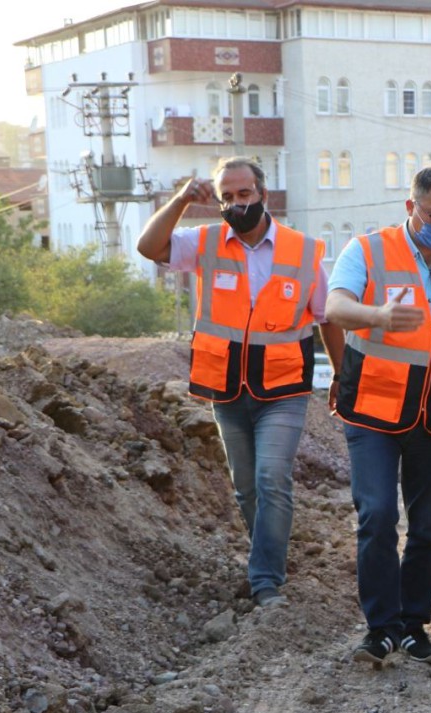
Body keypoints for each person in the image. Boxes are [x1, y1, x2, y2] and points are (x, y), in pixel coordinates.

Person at [136, 156, 342, 609]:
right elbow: (149, 247)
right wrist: (181, 201)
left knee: (272, 478)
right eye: (226, 196)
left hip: (284, 386)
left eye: (244, 194)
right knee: (246, 486)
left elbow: (327, 317)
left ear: (263, 194)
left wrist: (342, 376)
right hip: (225, 386)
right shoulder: (204, 243)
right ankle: (267, 557)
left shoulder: (302, 251)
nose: (236, 203)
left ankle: (266, 579)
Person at [325, 166, 431, 667]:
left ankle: (414, 626)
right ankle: (380, 629)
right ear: (410, 207)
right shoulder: (368, 250)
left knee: (426, 530)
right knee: (376, 515)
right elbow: (334, 307)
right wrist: (377, 315)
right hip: (374, 411)